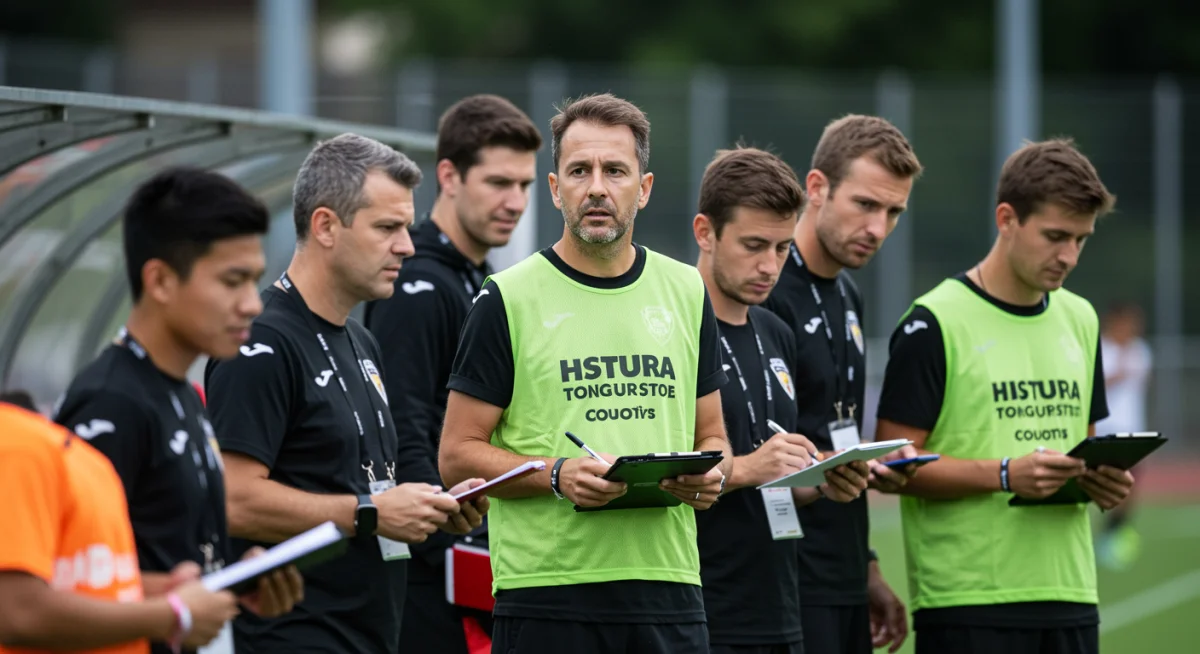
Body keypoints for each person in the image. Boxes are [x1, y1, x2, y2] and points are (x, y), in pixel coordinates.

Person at [438, 92, 732, 654]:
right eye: (579, 171)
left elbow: (712, 436)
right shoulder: (507, 298)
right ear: (555, 189)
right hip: (548, 595)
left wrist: (709, 477)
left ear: (643, 188)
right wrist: (556, 474)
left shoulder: (686, 290)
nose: (597, 187)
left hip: (669, 589)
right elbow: (456, 455)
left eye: (615, 170)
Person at [203, 133, 489, 654]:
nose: (406, 245)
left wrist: (432, 504)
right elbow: (234, 499)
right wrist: (369, 513)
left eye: (406, 227)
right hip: (294, 638)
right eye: (387, 228)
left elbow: (366, 487)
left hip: (371, 634)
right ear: (326, 226)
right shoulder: (262, 342)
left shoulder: (361, 339)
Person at [874, 138, 1130, 654]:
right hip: (968, 601)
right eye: (1055, 236)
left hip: (1071, 591)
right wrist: (1007, 473)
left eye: (1080, 239)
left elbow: (1081, 448)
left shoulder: (1081, 318)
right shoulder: (934, 322)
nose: (1068, 256)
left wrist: (1100, 480)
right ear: (1007, 219)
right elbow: (893, 466)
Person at [52, 167, 305, 654]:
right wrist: (173, 612)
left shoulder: (182, 394)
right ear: (161, 281)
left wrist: (231, 582)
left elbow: (162, 563)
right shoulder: (111, 402)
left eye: (254, 281)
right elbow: (57, 589)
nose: (252, 304)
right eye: (232, 281)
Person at [363, 94, 541, 652]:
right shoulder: (416, 284)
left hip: (470, 554)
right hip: (435, 572)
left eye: (525, 185)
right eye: (498, 183)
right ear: (449, 176)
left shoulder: (474, 277)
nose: (515, 202)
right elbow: (404, 428)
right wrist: (453, 544)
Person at [690, 145, 871, 654]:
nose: (770, 265)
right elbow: (655, 468)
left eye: (782, 248)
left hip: (781, 609)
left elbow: (772, 480)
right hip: (705, 613)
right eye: (753, 245)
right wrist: (750, 468)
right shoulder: (671, 329)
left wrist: (820, 481)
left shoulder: (775, 330)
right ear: (705, 232)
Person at [761, 114, 923, 654]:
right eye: (865, 204)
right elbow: (758, 455)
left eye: (893, 212)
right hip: (785, 581)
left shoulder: (849, 293)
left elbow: (838, 434)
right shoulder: (766, 290)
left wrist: (866, 566)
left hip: (843, 576)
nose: (878, 228)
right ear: (817, 188)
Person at [0, 401, 239, 654]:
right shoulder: (20, 449)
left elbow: (79, 578)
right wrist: (170, 615)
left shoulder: (76, 455)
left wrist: (162, 590)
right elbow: (17, 612)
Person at [1093, 301, 1152, 570]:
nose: (1133, 328)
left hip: (1133, 429)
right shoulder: (1100, 349)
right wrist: (1117, 374)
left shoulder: (1140, 351)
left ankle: (1112, 535)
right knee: (1098, 485)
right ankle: (1103, 535)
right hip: (1104, 429)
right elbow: (1095, 387)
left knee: (1129, 488)